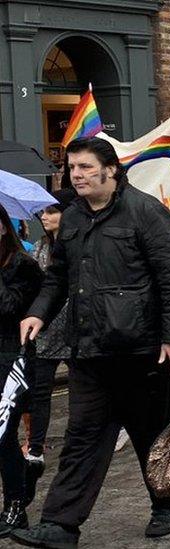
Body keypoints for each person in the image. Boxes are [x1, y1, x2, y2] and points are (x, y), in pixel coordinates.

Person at [16, 137, 170, 547]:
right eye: (72, 167)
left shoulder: (146, 212)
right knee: (82, 438)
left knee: (153, 437)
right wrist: (39, 311)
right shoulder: (73, 217)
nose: (75, 174)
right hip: (89, 350)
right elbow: (59, 276)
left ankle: (167, 505)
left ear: (110, 169)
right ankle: (61, 525)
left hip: (142, 350)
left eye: (85, 167)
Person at [23, 188, 75, 506]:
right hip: (45, 332)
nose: (45, 217)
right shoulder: (40, 248)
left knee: (87, 391)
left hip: (74, 330)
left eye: (51, 212)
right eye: (43, 213)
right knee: (39, 393)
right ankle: (36, 449)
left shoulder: (75, 246)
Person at [0, 205, 43, 537]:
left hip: (13, 359)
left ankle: (16, 507)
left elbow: (12, 308)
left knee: (2, 435)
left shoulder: (22, 265)